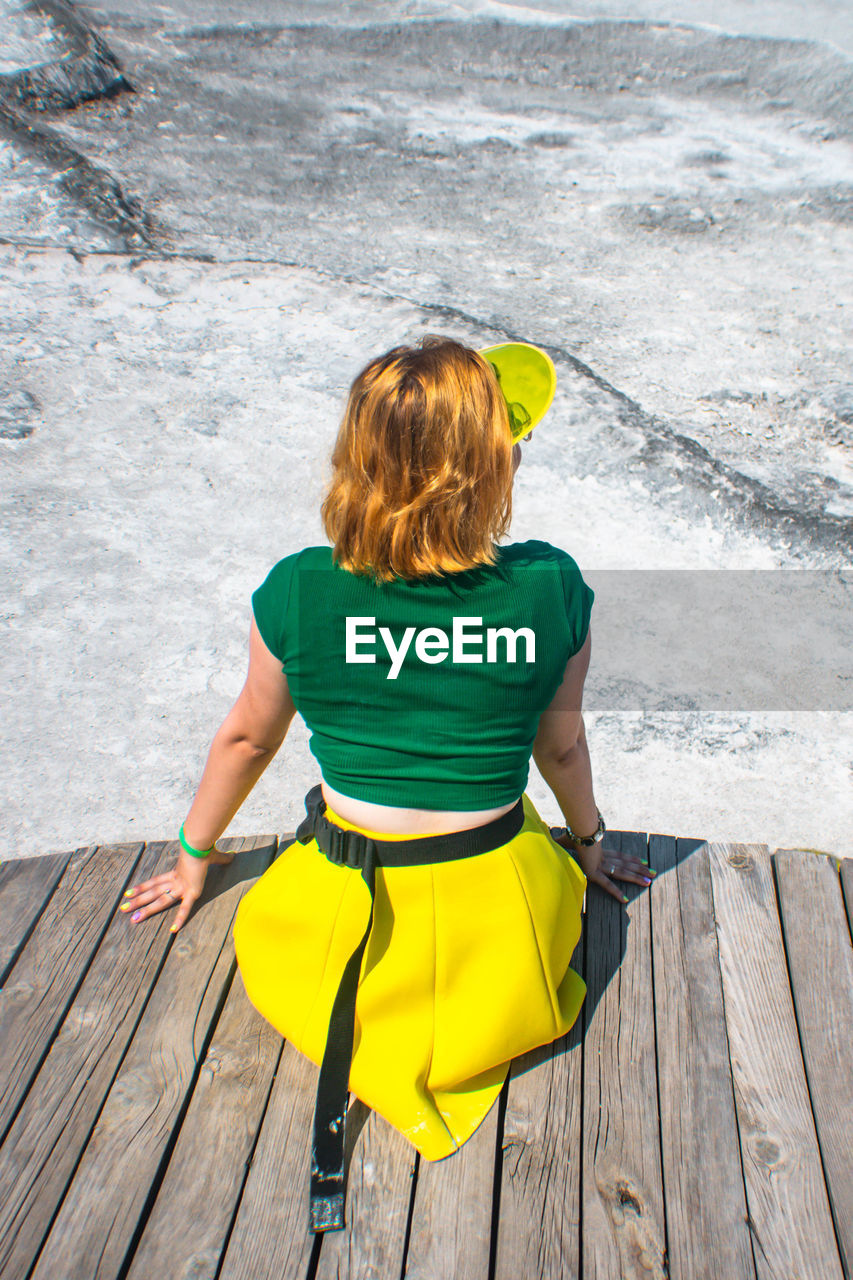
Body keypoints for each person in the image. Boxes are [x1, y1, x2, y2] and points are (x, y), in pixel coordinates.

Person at [119, 336, 654, 1232]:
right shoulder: (547, 587)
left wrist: (191, 856)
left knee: (295, 938)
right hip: (497, 922)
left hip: (344, 922)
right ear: (490, 468)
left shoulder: (298, 589)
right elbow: (559, 751)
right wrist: (590, 846)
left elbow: (248, 737)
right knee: (532, 882)